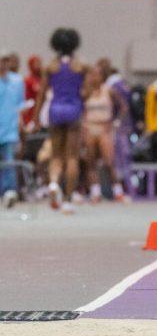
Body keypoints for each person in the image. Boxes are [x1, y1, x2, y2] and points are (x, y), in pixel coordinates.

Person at [33, 28, 88, 213]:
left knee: (56, 155)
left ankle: (54, 182)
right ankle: (67, 199)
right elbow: (86, 93)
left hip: (55, 110)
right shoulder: (80, 67)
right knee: (72, 157)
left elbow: (41, 94)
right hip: (73, 110)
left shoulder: (50, 67)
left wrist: (36, 118)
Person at [81, 65, 128, 203]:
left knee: (109, 161)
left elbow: (123, 106)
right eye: (92, 75)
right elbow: (81, 110)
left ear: (102, 77)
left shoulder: (109, 91)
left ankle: (118, 191)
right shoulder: (86, 93)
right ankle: (95, 192)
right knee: (91, 162)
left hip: (104, 128)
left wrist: (116, 122)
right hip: (90, 127)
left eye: (98, 75)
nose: (95, 78)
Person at [0, 49, 24, 207]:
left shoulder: (17, 81)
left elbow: (20, 104)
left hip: (10, 128)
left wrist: (21, 121)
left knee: (9, 161)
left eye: (6, 60)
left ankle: (9, 192)